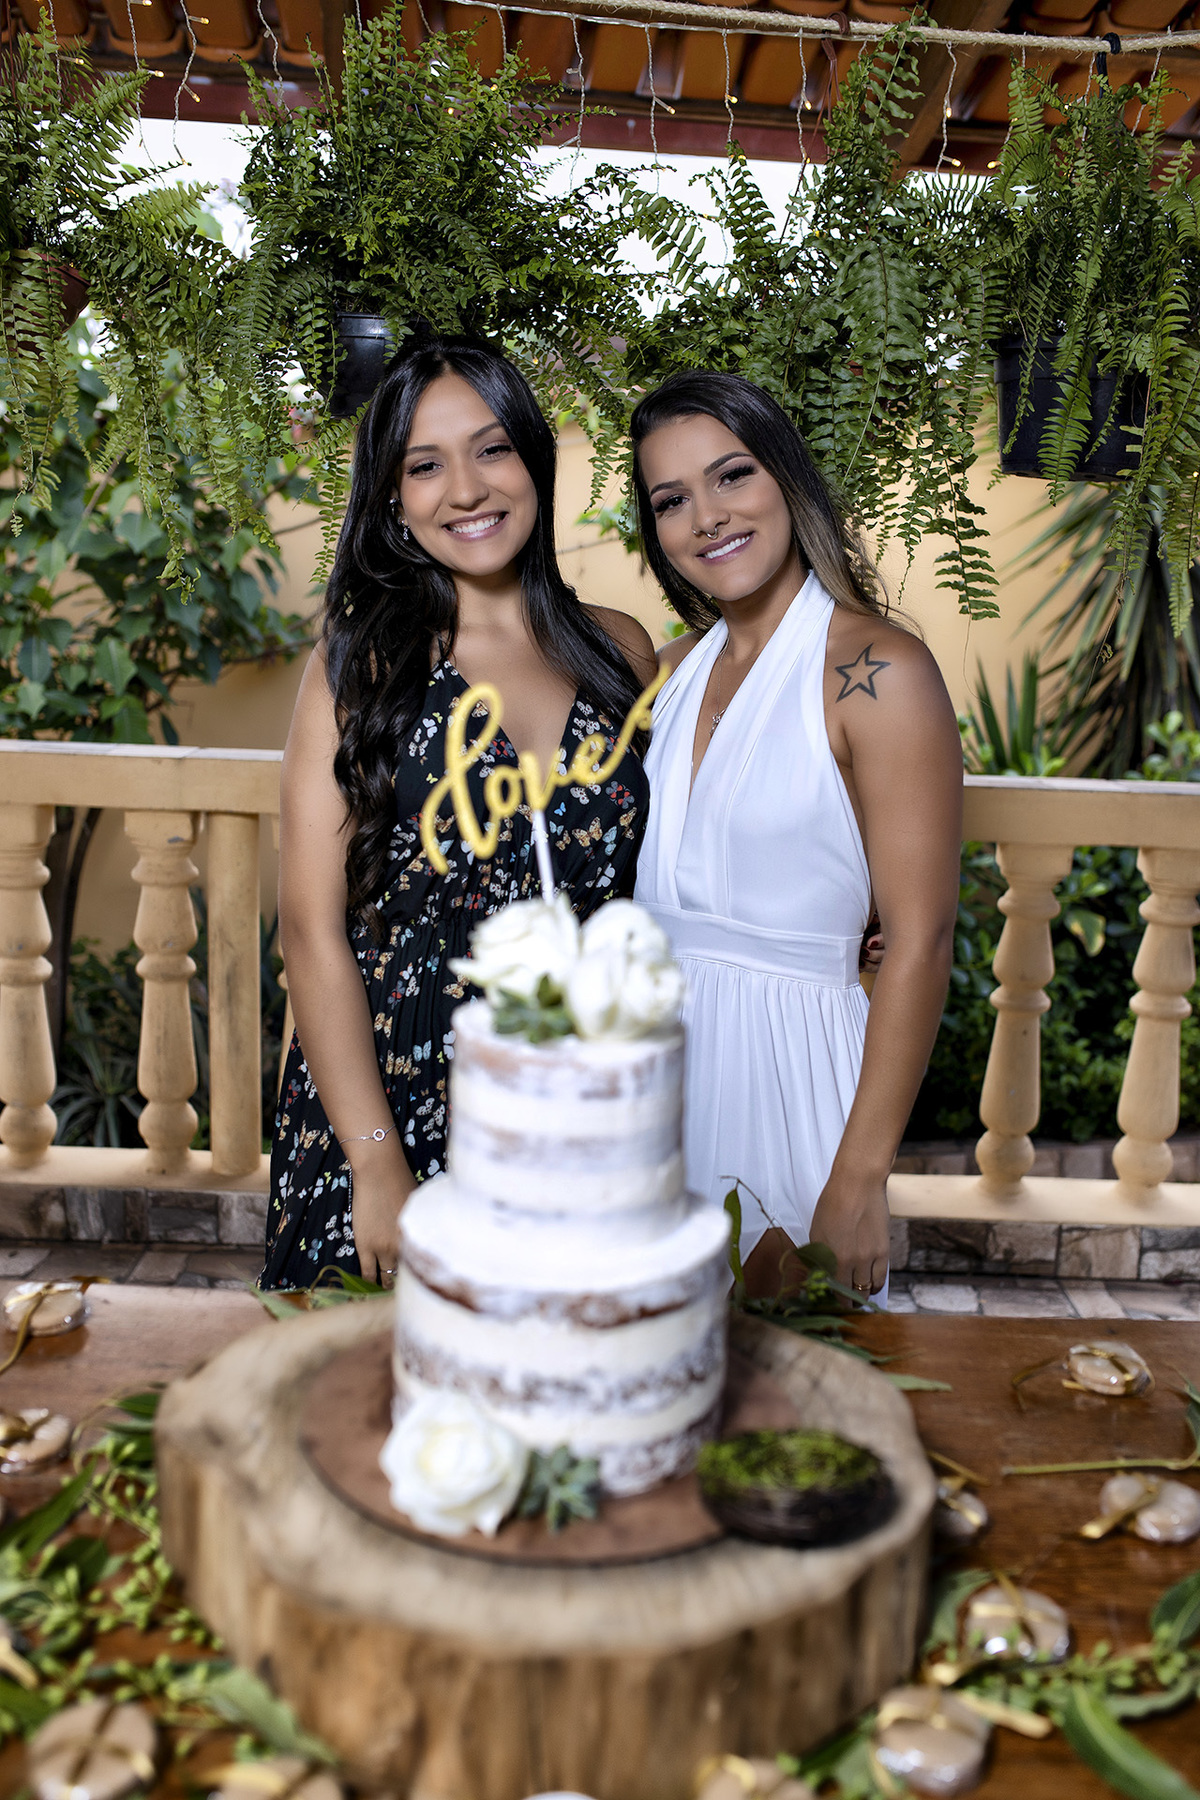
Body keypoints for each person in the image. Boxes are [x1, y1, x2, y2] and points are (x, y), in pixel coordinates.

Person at [261, 333, 656, 1290]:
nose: (467, 489)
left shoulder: (623, 652)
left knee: (564, 1374)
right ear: (393, 498)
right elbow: (311, 930)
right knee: (370, 1382)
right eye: (425, 465)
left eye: (491, 449)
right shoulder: (360, 667)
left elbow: (672, 861)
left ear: (533, 458)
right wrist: (374, 1163)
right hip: (391, 1097)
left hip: (575, 1110)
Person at [630, 371, 962, 1301]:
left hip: (795, 1076)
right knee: (647, 1372)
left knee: (795, 1379)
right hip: (648, 1087)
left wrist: (859, 1176)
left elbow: (922, 937)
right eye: (671, 500)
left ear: (786, 476)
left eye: (731, 475)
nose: (707, 517)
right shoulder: (663, 677)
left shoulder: (880, 670)